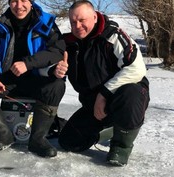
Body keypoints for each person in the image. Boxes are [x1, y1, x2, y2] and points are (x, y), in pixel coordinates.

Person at [55, 1, 150, 166]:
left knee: (132, 92)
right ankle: (112, 130)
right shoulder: (67, 43)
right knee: (68, 142)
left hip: (122, 100)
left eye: (82, 20)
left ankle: (121, 146)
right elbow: (45, 64)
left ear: (94, 16)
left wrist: (104, 93)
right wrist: (54, 69)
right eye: (73, 22)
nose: (77, 26)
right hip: (92, 106)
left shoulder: (114, 36)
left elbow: (137, 69)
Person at [0, 0, 66, 158]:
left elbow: (58, 51)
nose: (19, 6)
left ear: (31, 2)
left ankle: (37, 140)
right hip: (6, 82)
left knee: (57, 85)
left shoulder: (46, 23)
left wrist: (28, 63)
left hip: (35, 80)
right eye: (14, 1)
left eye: (24, 0)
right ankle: (3, 134)